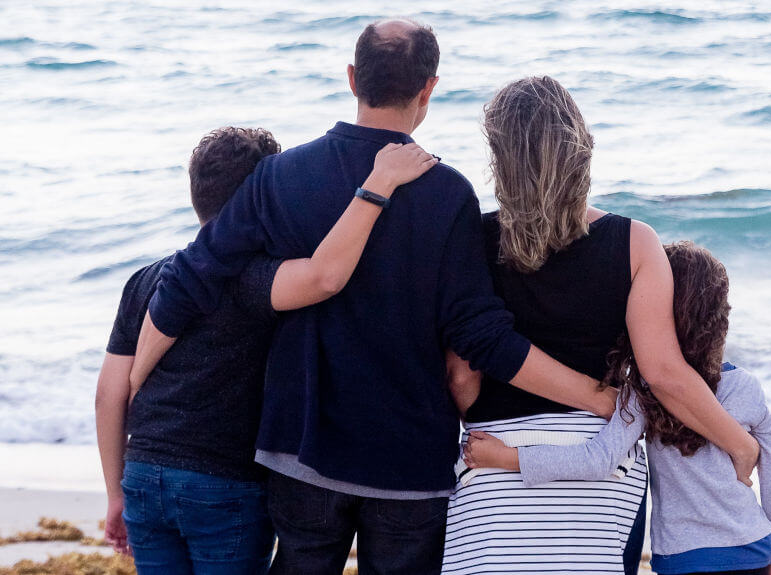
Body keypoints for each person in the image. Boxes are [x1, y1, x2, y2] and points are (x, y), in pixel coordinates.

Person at [127, 19, 618, 575]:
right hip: (407, 461)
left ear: (353, 77)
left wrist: (137, 374)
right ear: (429, 87)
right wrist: (594, 395)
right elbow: (481, 337)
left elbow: (193, 274)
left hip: (300, 450)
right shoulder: (448, 193)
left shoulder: (280, 176)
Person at [440, 77, 761, 575]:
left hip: (495, 463)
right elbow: (663, 374)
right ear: (580, 149)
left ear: (499, 157)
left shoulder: (472, 240)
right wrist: (740, 445)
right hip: (603, 466)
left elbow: (462, 379)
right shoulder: (634, 241)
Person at [95, 126, 437, 574]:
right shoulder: (253, 280)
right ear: (264, 196)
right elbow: (323, 276)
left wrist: (115, 493)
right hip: (224, 483)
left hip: (143, 475)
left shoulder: (146, 280)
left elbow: (108, 394)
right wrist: (377, 186)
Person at [465, 242, 771, 575]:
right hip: (754, 547)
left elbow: (597, 460)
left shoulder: (644, 390)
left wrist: (507, 457)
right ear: (720, 314)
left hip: (683, 558)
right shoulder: (748, 387)